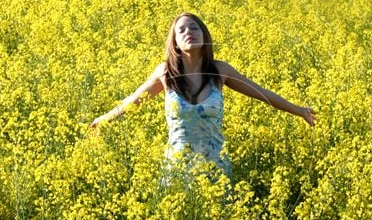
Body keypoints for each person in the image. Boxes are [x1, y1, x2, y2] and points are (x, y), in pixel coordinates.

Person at [89, 12, 316, 187]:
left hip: (216, 169)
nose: (189, 32)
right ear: (174, 41)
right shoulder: (166, 73)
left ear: (204, 35)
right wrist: (104, 120)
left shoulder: (219, 71)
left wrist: (298, 110)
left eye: (194, 28)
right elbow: (133, 101)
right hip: (177, 168)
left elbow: (262, 93)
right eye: (182, 30)